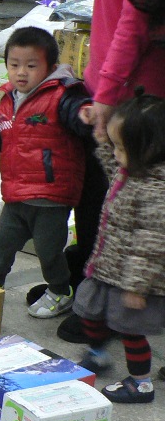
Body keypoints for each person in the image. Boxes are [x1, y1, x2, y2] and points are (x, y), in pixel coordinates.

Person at [31, 0, 165, 344]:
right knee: (110, 201)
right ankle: (103, 308)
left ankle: (115, 315)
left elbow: (138, 13)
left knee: (133, 210)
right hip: (116, 80)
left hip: (137, 89)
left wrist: (106, 92)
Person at [0, 27, 92, 318]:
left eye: (31, 65)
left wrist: (86, 116)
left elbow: (81, 120)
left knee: (49, 252)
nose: (21, 73)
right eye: (14, 65)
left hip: (51, 197)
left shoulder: (62, 96)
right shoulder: (9, 100)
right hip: (16, 196)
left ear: (50, 67)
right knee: (1, 245)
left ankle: (61, 291)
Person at [73, 93, 165, 403]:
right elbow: (114, 163)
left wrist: (137, 286)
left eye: (122, 147)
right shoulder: (132, 168)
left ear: (149, 149)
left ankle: (141, 384)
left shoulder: (156, 188)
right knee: (88, 309)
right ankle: (98, 353)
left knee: (130, 330)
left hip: (132, 279)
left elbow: (152, 243)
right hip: (107, 266)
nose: (117, 153)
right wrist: (102, 135)